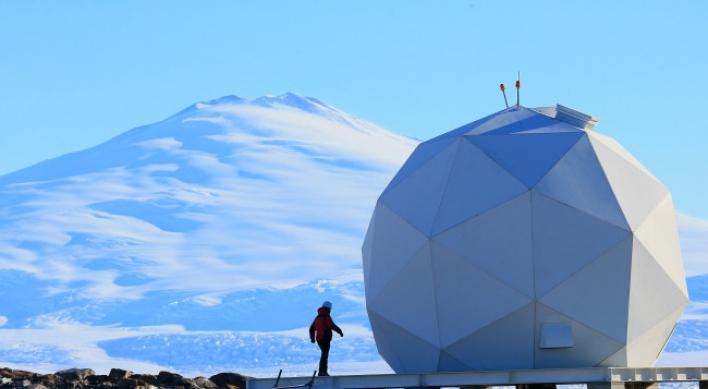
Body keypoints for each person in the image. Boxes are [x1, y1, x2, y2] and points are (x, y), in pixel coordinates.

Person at [309, 301, 343, 376]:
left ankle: (322, 371)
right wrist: (340, 331)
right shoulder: (326, 316)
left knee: (324, 354)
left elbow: (311, 328)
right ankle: (322, 371)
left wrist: (313, 338)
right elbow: (331, 325)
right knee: (325, 354)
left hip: (319, 339)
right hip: (325, 338)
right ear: (328, 308)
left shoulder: (317, 317)